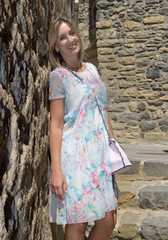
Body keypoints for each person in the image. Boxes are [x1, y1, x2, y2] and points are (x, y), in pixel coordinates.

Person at [48, 18, 118, 240]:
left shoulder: (92, 70)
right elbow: (56, 124)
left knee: (109, 219)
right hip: (75, 158)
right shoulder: (58, 76)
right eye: (62, 37)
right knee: (78, 223)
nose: (70, 40)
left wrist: (113, 146)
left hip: (100, 156)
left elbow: (102, 110)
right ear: (56, 47)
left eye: (71, 33)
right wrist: (57, 170)